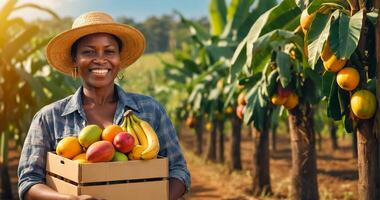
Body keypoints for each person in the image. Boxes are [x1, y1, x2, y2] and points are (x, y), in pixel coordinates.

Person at [17, 11, 190, 200]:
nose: (100, 59)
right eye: (88, 51)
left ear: (119, 60)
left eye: (109, 51)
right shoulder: (49, 117)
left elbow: (178, 171)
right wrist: (69, 199)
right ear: (75, 59)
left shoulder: (150, 110)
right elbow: (29, 181)